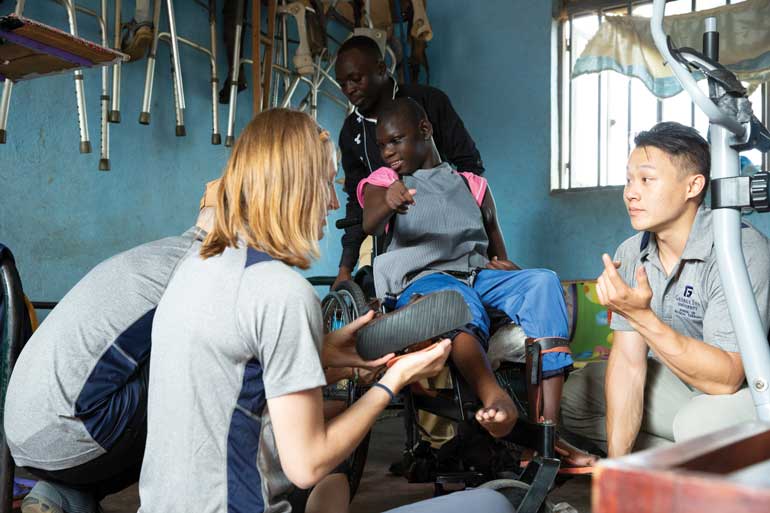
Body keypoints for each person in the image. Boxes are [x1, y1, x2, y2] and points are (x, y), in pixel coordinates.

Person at [137, 107, 519, 513]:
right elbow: (306, 464)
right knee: (493, 503)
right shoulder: (281, 291)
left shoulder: (197, 266)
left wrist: (325, 350)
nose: (335, 203)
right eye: (326, 184)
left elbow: (236, 370)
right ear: (296, 186)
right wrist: (393, 380)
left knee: (333, 487)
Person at [357, 98, 576, 441]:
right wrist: (388, 201)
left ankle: (547, 431)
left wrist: (511, 271)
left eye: (396, 140)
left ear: (425, 130)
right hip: (424, 280)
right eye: (381, 144)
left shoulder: (472, 185)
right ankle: (494, 396)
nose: (387, 151)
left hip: (476, 276)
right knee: (456, 301)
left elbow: (496, 247)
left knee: (543, 282)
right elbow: (369, 223)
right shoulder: (385, 180)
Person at [560, 122, 770, 458]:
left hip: (749, 395)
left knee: (698, 423)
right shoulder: (630, 253)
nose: (630, 192)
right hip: (680, 388)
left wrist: (641, 316)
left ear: (693, 186)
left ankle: (699, 462)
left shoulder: (738, 249)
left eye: (646, 179)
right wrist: (619, 469)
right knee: (577, 396)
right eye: (629, 180)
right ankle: (667, 466)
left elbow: (727, 379)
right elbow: (629, 364)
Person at [4, 195, 213, 513]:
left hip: (22, 435)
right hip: (69, 433)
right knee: (205, 367)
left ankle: (63, 496)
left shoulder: (160, 253)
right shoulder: (202, 270)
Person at [333, 35, 484, 289]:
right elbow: (356, 205)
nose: (349, 89)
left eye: (356, 79)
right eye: (342, 84)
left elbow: (470, 166)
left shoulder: (428, 102)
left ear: (381, 69)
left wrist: (453, 219)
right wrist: (345, 268)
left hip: (447, 234)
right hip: (390, 234)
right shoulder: (351, 132)